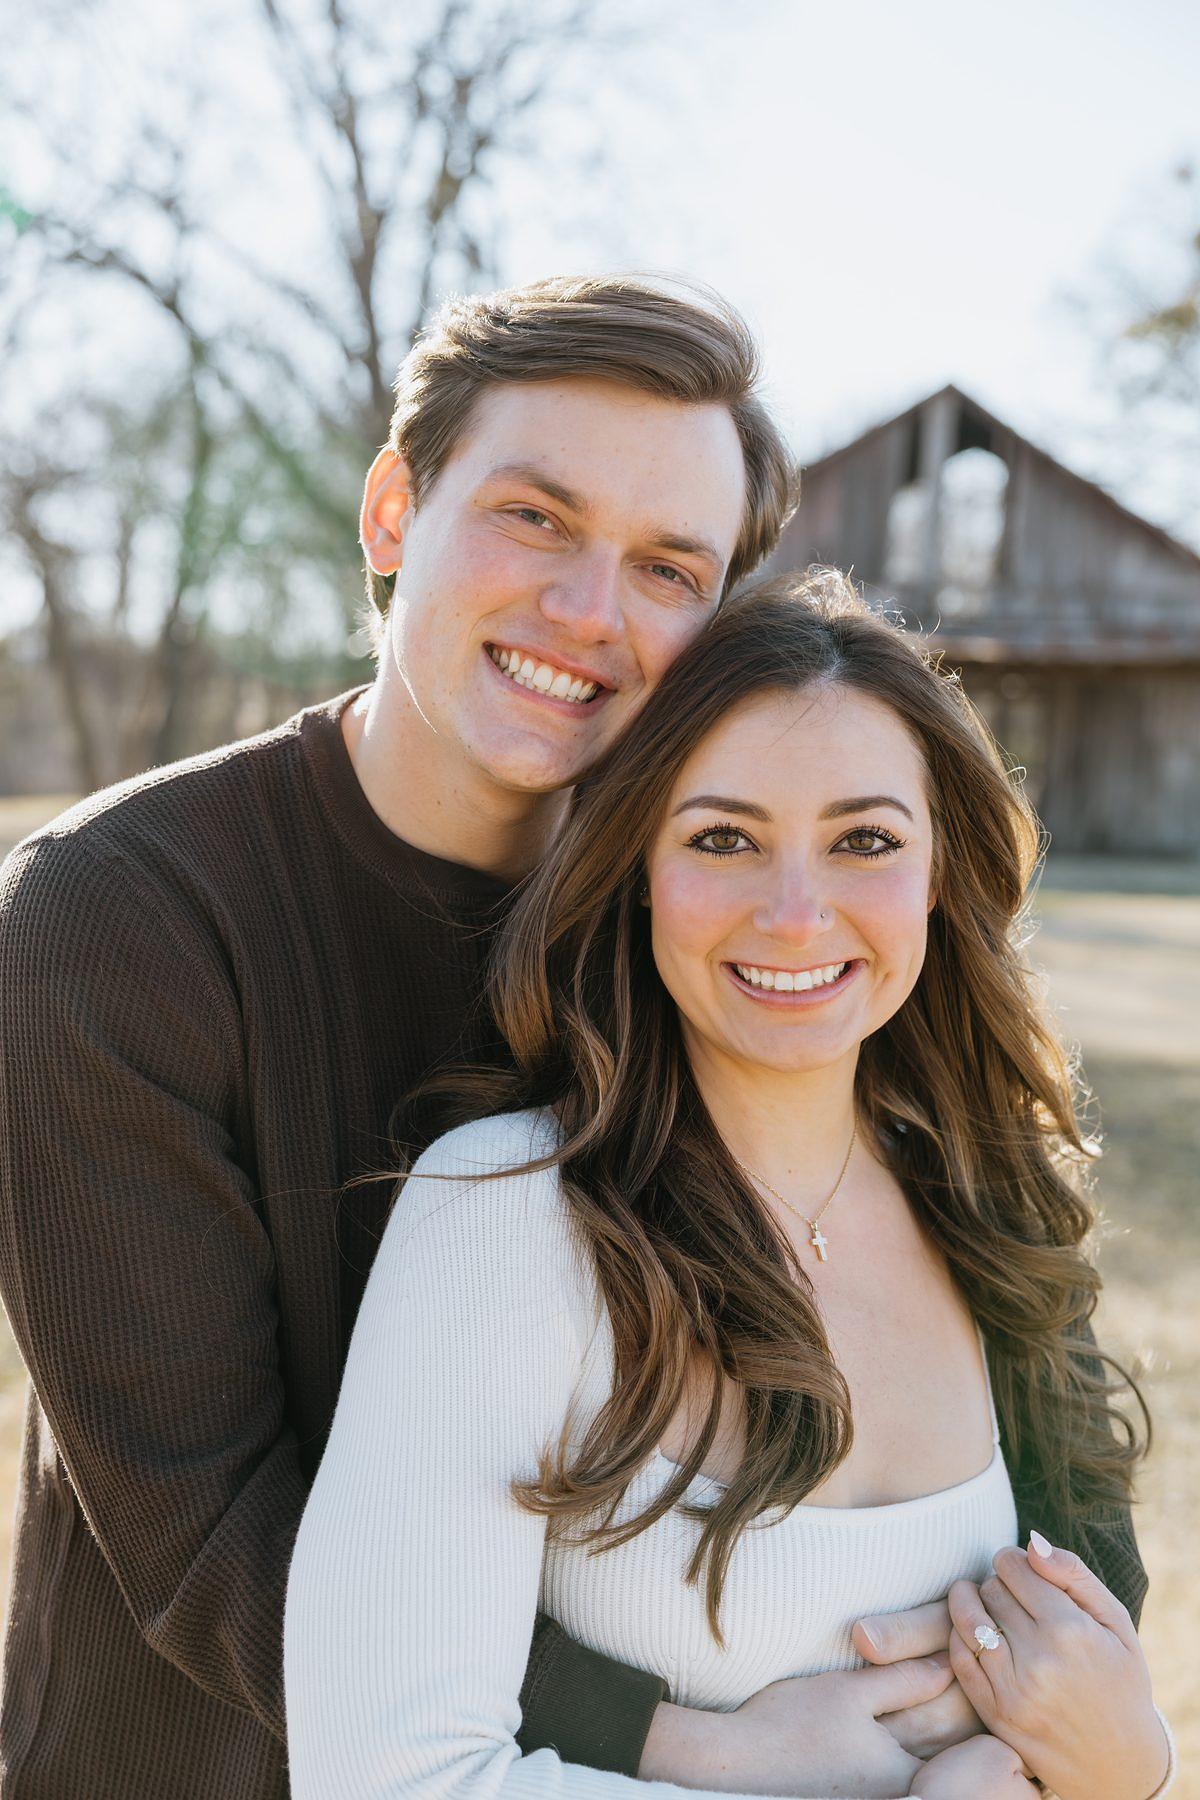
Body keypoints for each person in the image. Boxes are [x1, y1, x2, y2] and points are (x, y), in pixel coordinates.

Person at [0, 273, 814, 1799]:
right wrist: (682, 1744)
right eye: (535, 517)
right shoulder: (112, 919)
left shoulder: (711, 933)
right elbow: (207, 1526)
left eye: (666, 566)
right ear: (392, 512)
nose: (589, 611)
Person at [284, 572, 1177, 1800]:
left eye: (864, 839)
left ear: (935, 872)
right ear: (638, 866)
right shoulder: (504, 1215)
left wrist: (1136, 1761)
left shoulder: (993, 1211)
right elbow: (390, 1777)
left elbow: (1082, 1696)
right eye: (724, 838)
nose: (797, 914)